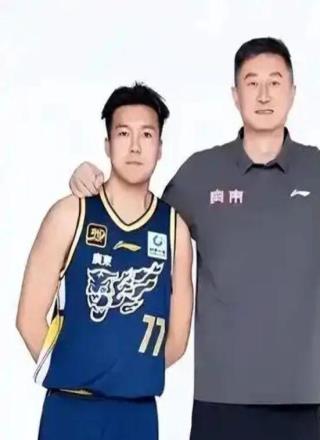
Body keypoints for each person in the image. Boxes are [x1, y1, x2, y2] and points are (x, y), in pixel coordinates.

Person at [69, 38, 320, 440]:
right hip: (218, 401)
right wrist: (95, 182)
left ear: (292, 92)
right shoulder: (200, 174)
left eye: (275, 82)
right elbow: (138, 223)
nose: (263, 95)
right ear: (235, 94)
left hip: (297, 402)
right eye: (252, 83)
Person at [16, 83, 193, 440]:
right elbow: (28, 317)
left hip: (137, 413)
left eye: (147, 135)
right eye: (123, 133)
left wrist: (129, 373)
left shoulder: (174, 230)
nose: (135, 146)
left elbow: (177, 338)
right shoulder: (71, 213)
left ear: (160, 148)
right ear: (107, 144)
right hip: (69, 409)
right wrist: (70, 371)